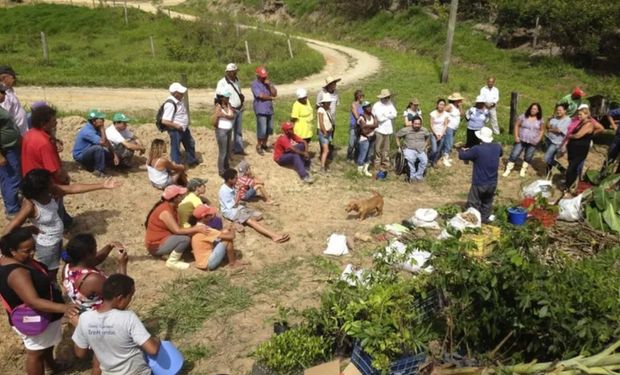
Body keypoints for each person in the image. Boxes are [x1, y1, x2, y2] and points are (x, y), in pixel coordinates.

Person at [2, 169, 121, 280]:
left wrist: (102, 185)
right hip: (47, 246)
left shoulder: (51, 192)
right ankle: (51, 291)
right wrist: (27, 230)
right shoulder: (30, 205)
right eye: (50, 182)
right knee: (49, 273)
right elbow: (9, 229)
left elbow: (73, 188)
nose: (53, 183)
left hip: (57, 239)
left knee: (56, 266)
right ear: (42, 189)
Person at [0, 228, 78, 375]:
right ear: (12, 250)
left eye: (33, 248)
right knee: (36, 354)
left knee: (44, 347)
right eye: (26, 251)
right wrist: (64, 308)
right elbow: (33, 301)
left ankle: (51, 366)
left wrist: (27, 230)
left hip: (44, 316)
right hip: (35, 318)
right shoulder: (17, 273)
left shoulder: (7, 258)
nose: (32, 253)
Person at [72, 274, 160, 375]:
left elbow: (80, 353)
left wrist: (78, 327)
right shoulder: (128, 317)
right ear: (120, 298)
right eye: (130, 297)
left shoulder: (85, 319)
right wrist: (157, 341)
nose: (130, 301)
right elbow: (152, 350)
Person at [21, 105, 74, 227]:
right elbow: (55, 170)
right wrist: (65, 179)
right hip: (46, 185)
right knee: (55, 209)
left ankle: (66, 220)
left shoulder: (29, 134)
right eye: (53, 120)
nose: (56, 121)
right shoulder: (44, 144)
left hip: (32, 180)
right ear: (43, 123)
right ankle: (61, 226)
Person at [145, 185, 210, 270]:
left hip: (164, 239)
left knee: (188, 235)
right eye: (180, 195)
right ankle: (172, 261)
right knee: (184, 239)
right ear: (175, 198)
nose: (183, 197)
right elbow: (177, 230)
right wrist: (196, 228)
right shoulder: (165, 212)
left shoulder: (171, 207)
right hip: (156, 245)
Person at [219, 168, 289, 243]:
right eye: (236, 178)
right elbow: (234, 205)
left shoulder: (232, 185)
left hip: (238, 207)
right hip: (231, 211)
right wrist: (239, 192)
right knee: (251, 221)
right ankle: (274, 236)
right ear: (230, 179)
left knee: (259, 216)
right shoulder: (224, 191)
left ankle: (238, 221)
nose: (237, 179)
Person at [62, 234, 127, 313]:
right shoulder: (93, 279)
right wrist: (122, 265)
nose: (97, 250)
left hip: (83, 312)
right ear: (88, 255)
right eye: (95, 248)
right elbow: (121, 295)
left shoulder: (67, 268)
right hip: (101, 317)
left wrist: (110, 246)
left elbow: (96, 259)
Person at [458, 127, 503, 223]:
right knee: (487, 202)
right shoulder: (497, 147)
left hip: (479, 181)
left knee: (473, 202)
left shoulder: (477, 149)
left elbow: (462, 156)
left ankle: (472, 221)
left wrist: (461, 149)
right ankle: (484, 219)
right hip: (492, 182)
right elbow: (500, 153)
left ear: (480, 138)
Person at [189, 204, 246, 271]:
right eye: (210, 215)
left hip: (201, 262)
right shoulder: (206, 229)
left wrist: (227, 230)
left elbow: (218, 233)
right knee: (227, 240)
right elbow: (232, 236)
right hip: (208, 263)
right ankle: (233, 263)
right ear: (204, 217)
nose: (212, 215)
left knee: (224, 233)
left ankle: (231, 260)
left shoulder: (198, 227)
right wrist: (233, 228)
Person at [159, 82, 198, 166]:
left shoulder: (178, 101)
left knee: (190, 144)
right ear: (175, 93)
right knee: (176, 148)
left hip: (183, 128)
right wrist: (177, 125)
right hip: (175, 130)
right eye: (180, 93)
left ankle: (191, 160)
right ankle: (175, 165)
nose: (183, 94)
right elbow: (165, 121)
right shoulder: (170, 104)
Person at [72, 109, 117, 178]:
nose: (103, 121)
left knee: (108, 153)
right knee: (98, 148)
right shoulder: (88, 131)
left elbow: (107, 142)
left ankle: (98, 164)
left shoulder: (95, 127)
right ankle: (98, 170)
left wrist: (114, 154)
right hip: (81, 155)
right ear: (94, 121)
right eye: (101, 119)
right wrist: (102, 128)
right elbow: (103, 142)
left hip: (89, 151)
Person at [503, 103, 544, 177]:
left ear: (538, 111)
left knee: (528, 156)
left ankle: (523, 169)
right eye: (532, 108)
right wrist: (516, 136)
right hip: (521, 139)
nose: (533, 110)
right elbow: (516, 125)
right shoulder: (523, 116)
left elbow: (541, 130)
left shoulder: (540, 120)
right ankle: (508, 169)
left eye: (535, 109)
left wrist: (538, 139)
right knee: (514, 154)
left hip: (533, 141)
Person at [0, 83, 22, 218]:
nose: (4, 95)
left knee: (5, 178)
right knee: (13, 178)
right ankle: (13, 210)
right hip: (7, 149)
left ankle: (10, 204)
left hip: (9, 147)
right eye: (2, 93)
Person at [216, 63, 246, 155]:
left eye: (235, 71)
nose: (233, 73)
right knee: (227, 131)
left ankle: (238, 149)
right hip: (230, 109)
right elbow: (218, 97)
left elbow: (239, 92)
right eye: (231, 72)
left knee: (238, 130)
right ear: (227, 72)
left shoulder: (237, 80)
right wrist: (225, 108)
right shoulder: (222, 83)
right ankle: (226, 151)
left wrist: (242, 104)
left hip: (239, 108)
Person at [564, 107, 596, 191]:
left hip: (580, 150)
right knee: (572, 167)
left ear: (587, 114)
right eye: (578, 114)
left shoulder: (589, 124)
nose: (579, 116)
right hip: (573, 148)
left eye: (581, 114)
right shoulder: (581, 122)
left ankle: (568, 186)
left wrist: (569, 135)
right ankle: (572, 184)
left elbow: (578, 135)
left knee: (571, 168)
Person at [251, 66, 277, 155]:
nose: (264, 78)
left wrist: (269, 85)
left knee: (269, 128)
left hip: (269, 109)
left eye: (265, 76)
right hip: (260, 109)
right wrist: (271, 98)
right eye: (262, 76)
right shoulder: (254, 84)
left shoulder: (268, 83)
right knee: (262, 129)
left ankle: (264, 144)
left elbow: (274, 93)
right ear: (257, 75)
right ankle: (259, 145)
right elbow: (260, 96)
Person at [395, 115, 430, 182]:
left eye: (419, 124)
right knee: (411, 159)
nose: (417, 125)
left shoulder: (424, 130)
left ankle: (418, 176)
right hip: (409, 149)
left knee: (424, 161)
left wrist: (425, 145)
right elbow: (397, 136)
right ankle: (412, 176)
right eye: (416, 124)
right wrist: (398, 146)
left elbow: (428, 136)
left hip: (420, 149)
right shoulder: (406, 130)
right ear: (412, 123)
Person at [372, 89, 397, 170]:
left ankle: (385, 163)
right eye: (386, 97)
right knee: (378, 148)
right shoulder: (376, 105)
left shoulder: (390, 104)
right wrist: (388, 115)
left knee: (386, 148)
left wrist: (385, 115)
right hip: (379, 129)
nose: (387, 99)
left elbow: (394, 114)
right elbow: (379, 118)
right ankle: (377, 163)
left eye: (388, 97)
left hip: (388, 129)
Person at [544, 104, 571, 175]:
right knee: (550, 158)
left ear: (565, 111)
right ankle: (548, 172)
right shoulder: (554, 118)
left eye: (560, 110)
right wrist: (548, 120)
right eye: (557, 110)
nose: (558, 112)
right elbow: (547, 127)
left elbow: (559, 130)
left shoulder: (567, 120)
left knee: (547, 158)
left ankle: (561, 169)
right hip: (548, 139)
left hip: (556, 142)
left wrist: (550, 129)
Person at [0, 66, 27, 135]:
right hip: (16, 134)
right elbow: (5, 116)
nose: (15, 79)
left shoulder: (9, 91)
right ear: (4, 78)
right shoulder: (5, 95)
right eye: (13, 77)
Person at [214, 91, 236, 176]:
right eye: (226, 97)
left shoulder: (229, 105)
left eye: (228, 97)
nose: (228, 98)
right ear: (222, 98)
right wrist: (227, 117)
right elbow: (216, 118)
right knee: (222, 151)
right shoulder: (218, 106)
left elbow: (232, 116)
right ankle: (221, 170)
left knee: (228, 150)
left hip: (228, 129)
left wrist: (225, 116)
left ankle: (226, 166)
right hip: (221, 130)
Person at [442, 92, 464, 166]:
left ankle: (446, 156)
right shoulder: (450, 106)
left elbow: (462, 115)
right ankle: (445, 158)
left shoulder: (457, 107)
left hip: (454, 128)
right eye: (459, 100)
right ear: (455, 100)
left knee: (449, 142)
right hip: (449, 127)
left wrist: (460, 106)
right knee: (449, 143)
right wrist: (445, 120)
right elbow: (441, 111)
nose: (460, 101)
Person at [356, 101, 378, 177]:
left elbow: (376, 124)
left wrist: (368, 126)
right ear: (364, 108)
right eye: (367, 106)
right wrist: (373, 126)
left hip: (372, 138)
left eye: (370, 106)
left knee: (369, 154)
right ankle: (359, 170)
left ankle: (365, 169)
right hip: (365, 138)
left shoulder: (372, 115)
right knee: (363, 154)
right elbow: (363, 129)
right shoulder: (362, 117)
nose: (370, 108)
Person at [317, 93, 336, 172]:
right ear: (324, 102)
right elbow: (321, 122)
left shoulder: (327, 109)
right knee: (326, 150)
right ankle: (322, 167)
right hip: (323, 132)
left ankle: (324, 165)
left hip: (328, 131)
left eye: (329, 102)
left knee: (326, 149)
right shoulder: (320, 110)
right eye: (328, 102)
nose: (329, 103)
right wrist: (324, 131)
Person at [429, 98, 450, 167]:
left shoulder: (446, 114)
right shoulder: (433, 113)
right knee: (434, 150)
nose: (442, 106)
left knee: (438, 150)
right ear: (437, 105)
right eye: (440, 104)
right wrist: (435, 134)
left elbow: (445, 125)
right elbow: (431, 125)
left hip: (442, 134)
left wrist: (441, 135)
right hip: (433, 134)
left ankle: (434, 162)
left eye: (443, 105)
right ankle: (429, 159)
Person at [348, 90, 364, 162]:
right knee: (351, 143)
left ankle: (356, 158)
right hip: (354, 125)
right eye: (361, 96)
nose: (362, 98)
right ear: (358, 97)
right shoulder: (353, 104)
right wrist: (361, 120)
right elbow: (356, 115)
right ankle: (349, 156)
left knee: (357, 143)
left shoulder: (362, 105)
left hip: (360, 126)